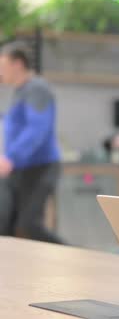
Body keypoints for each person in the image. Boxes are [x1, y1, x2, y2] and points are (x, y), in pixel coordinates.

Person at [0, 42, 62, 244]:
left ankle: (79, 261)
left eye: (3, 66)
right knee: (6, 222)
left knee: (29, 224)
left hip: (40, 168)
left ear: (18, 65)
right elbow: (15, 123)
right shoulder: (21, 91)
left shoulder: (37, 89)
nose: (1, 72)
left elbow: (37, 129)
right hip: (21, 169)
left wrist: (11, 158)